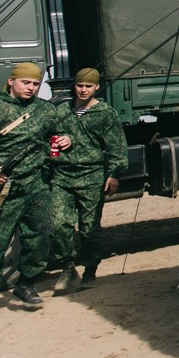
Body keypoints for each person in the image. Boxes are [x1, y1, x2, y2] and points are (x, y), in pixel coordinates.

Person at [0, 62, 68, 320]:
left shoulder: (45, 110)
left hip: (37, 185)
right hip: (5, 188)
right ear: (11, 81)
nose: (30, 87)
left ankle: (25, 285)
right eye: (25, 82)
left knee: (39, 238)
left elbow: (58, 133)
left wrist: (65, 140)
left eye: (35, 84)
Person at [49, 67, 128, 294]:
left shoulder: (105, 113)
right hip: (62, 176)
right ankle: (67, 267)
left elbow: (116, 146)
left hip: (92, 176)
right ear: (74, 86)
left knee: (89, 229)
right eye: (80, 85)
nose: (83, 90)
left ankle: (90, 271)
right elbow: (48, 138)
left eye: (88, 86)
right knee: (58, 225)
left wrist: (114, 174)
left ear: (96, 87)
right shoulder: (61, 110)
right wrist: (57, 145)